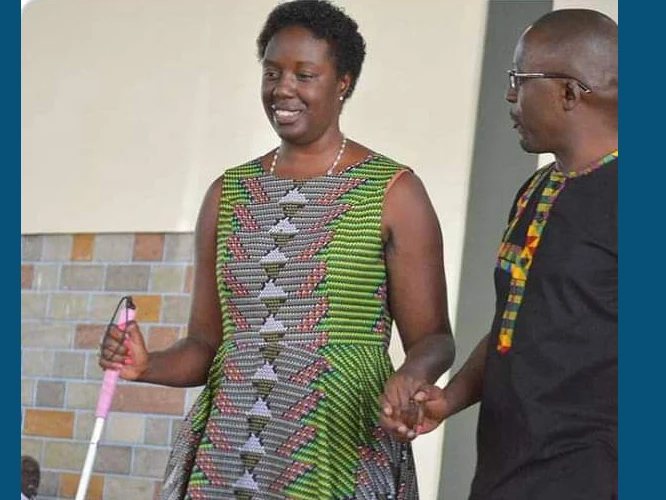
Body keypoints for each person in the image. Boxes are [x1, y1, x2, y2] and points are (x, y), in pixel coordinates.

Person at [99, 1, 455, 499]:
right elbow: (206, 345)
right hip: (231, 446)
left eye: (305, 74)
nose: (282, 88)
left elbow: (435, 337)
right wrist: (146, 365)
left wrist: (411, 375)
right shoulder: (228, 193)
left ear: (343, 83)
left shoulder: (393, 191)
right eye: (272, 72)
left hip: (337, 444)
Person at [381, 8, 618, 500]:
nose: (509, 96)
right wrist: (449, 400)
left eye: (519, 79)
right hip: (505, 471)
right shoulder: (535, 190)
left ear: (569, 93)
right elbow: (518, 323)